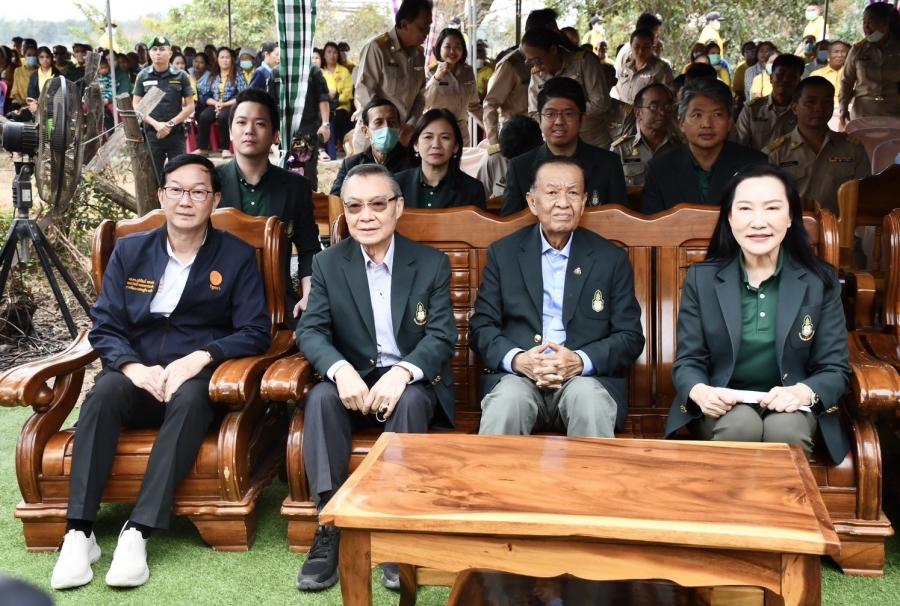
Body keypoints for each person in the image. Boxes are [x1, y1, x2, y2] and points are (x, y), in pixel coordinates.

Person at [49, 154, 271, 591]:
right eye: (177, 190)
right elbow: (105, 324)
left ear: (215, 200)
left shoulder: (237, 256)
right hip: (137, 372)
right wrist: (131, 366)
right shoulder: (131, 250)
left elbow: (255, 330)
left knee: (190, 399)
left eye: (198, 192)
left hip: (195, 377)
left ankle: (138, 531)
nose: (186, 200)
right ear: (161, 195)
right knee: (103, 394)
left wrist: (201, 357)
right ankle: (79, 533)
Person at [295, 163, 457, 592]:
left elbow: (443, 335)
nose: (365, 216)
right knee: (320, 398)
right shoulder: (328, 264)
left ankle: (395, 524)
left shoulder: (430, 263)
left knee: (412, 399)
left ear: (397, 207)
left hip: (408, 382)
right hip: (352, 380)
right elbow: (310, 331)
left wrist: (403, 372)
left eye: (377, 204)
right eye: (354, 207)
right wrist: (340, 370)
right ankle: (330, 523)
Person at [664, 164, 849, 464]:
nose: (758, 222)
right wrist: (701, 392)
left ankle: (780, 498)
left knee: (786, 429)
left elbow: (835, 368)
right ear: (729, 218)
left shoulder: (819, 281)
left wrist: (803, 392)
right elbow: (689, 360)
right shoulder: (703, 279)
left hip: (792, 404)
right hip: (723, 404)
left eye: (772, 208)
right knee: (741, 425)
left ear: (790, 217)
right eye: (745, 209)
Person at [471, 156, 644, 437]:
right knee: (507, 403)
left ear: (584, 202)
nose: (563, 203)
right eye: (552, 192)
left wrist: (580, 360)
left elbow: (630, 336)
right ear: (532, 202)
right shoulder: (504, 254)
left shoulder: (610, 259)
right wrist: (519, 360)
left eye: (573, 193)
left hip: (584, 380)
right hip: (519, 378)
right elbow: (481, 328)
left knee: (589, 402)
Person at [216, 89, 320, 318]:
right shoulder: (209, 184)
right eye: (241, 122)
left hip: (279, 306)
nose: (249, 130)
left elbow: (309, 249)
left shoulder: (296, 187)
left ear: (275, 135)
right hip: (218, 307)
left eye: (260, 124)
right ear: (230, 132)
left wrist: (308, 295)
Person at [503, 76, 627, 216]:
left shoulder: (608, 164)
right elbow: (510, 225)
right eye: (550, 114)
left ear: (581, 119)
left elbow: (621, 223)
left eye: (568, 114)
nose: (559, 121)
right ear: (539, 118)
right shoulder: (519, 167)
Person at [642, 78, 767, 213]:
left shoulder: (756, 166)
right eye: (697, 115)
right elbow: (654, 223)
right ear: (681, 123)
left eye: (717, 114)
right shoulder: (660, 169)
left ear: (730, 122)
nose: (707, 124)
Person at [765, 77, 869, 214]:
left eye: (826, 102)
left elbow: (865, 198)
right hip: (793, 225)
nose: (819, 108)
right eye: (811, 102)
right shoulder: (776, 153)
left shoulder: (852, 149)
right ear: (795, 108)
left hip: (840, 226)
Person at [353, 0, 432, 149]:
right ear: (404, 24)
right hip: (376, 134)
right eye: (422, 27)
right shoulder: (377, 49)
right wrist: (386, 126)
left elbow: (420, 96)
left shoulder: (419, 55)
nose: (427, 32)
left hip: (404, 136)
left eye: (429, 26)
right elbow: (365, 92)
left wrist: (410, 125)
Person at [523, 27, 611, 147]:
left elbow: (601, 103)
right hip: (557, 143)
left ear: (553, 50)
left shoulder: (583, 62)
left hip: (591, 140)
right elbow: (534, 111)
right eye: (531, 62)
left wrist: (567, 114)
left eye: (538, 61)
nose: (536, 66)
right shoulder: (537, 73)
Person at [482, 9, 558, 146]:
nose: (557, 35)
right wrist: (494, 145)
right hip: (517, 138)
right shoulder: (511, 65)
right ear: (537, 33)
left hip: (542, 136)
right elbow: (490, 104)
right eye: (553, 31)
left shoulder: (553, 58)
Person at [132, 37, 195, 185]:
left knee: (180, 175)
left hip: (175, 133)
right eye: (154, 49)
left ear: (170, 53)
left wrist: (169, 124)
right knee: (152, 178)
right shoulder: (143, 76)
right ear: (149, 53)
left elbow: (190, 106)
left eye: (162, 49)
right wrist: (156, 125)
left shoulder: (181, 75)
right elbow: (135, 105)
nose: (158, 53)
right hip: (152, 134)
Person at [394, 108, 486, 209]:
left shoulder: (473, 189)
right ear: (416, 145)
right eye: (428, 137)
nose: (436, 145)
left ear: (455, 146)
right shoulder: (395, 184)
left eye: (445, 137)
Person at [330, 97, 412, 196]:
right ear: (366, 131)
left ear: (399, 128)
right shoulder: (352, 165)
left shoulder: (413, 162)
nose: (386, 128)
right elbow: (334, 198)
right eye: (379, 122)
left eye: (392, 122)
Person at [839, 2, 900, 125]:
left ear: (885, 23)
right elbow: (846, 82)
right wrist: (843, 107)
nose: (866, 27)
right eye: (864, 22)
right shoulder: (857, 50)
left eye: (870, 22)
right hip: (863, 113)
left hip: (894, 113)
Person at [611, 83, 679, 188]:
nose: (662, 112)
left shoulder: (680, 147)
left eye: (667, 106)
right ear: (638, 113)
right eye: (654, 107)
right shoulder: (620, 150)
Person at [731, 53, 804, 151]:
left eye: (792, 77)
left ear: (799, 82)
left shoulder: (804, 112)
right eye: (780, 74)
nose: (785, 80)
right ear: (771, 78)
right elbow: (738, 145)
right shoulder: (752, 109)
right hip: (756, 160)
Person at [424, 27, 483, 147]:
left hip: (461, 133)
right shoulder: (430, 72)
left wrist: (490, 128)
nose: (452, 51)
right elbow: (424, 103)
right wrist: (436, 78)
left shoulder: (467, 71)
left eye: (457, 47)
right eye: (447, 47)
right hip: (437, 132)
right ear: (439, 48)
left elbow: (474, 106)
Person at [196, 47, 247, 158]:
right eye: (222, 57)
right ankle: (203, 148)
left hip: (232, 105)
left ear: (231, 59)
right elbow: (205, 95)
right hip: (215, 104)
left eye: (227, 57)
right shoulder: (213, 75)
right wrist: (216, 103)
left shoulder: (238, 74)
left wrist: (224, 104)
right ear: (217, 59)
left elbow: (242, 94)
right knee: (204, 116)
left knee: (223, 117)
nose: (224, 60)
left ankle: (225, 149)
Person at [476, 114, 542, 199]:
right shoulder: (495, 158)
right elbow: (478, 198)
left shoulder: (548, 162)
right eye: (509, 160)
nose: (515, 165)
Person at [614, 28, 674, 105]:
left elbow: (669, 98)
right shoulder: (626, 66)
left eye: (646, 47)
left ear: (652, 47)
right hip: (623, 110)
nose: (640, 51)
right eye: (636, 47)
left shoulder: (661, 69)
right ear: (631, 46)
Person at [321, 41, 353, 155]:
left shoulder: (344, 71)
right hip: (324, 106)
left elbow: (348, 92)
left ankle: (343, 145)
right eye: (329, 52)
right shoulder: (321, 72)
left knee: (339, 115)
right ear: (324, 55)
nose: (332, 55)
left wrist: (335, 101)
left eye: (335, 52)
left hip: (341, 106)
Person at [614, 12, 662, 80]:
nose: (657, 39)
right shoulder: (631, 53)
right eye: (656, 35)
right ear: (646, 32)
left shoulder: (629, 47)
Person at [811, 40, 849, 106]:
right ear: (828, 54)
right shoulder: (816, 74)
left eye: (843, 52)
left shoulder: (852, 74)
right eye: (836, 52)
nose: (839, 55)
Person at [9, 45, 37, 110]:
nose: (32, 57)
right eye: (29, 55)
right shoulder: (18, 71)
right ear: (24, 56)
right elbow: (15, 91)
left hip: (35, 103)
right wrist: (21, 103)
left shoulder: (40, 71)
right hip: (19, 102)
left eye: (34, 55)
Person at [732, 41, 757, 105]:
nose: (751, 52)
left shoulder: (763, 66)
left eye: (753, 50)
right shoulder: (740, 69)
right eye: (748, 51)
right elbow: (737, 90)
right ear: (743, 54)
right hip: (745, 100)